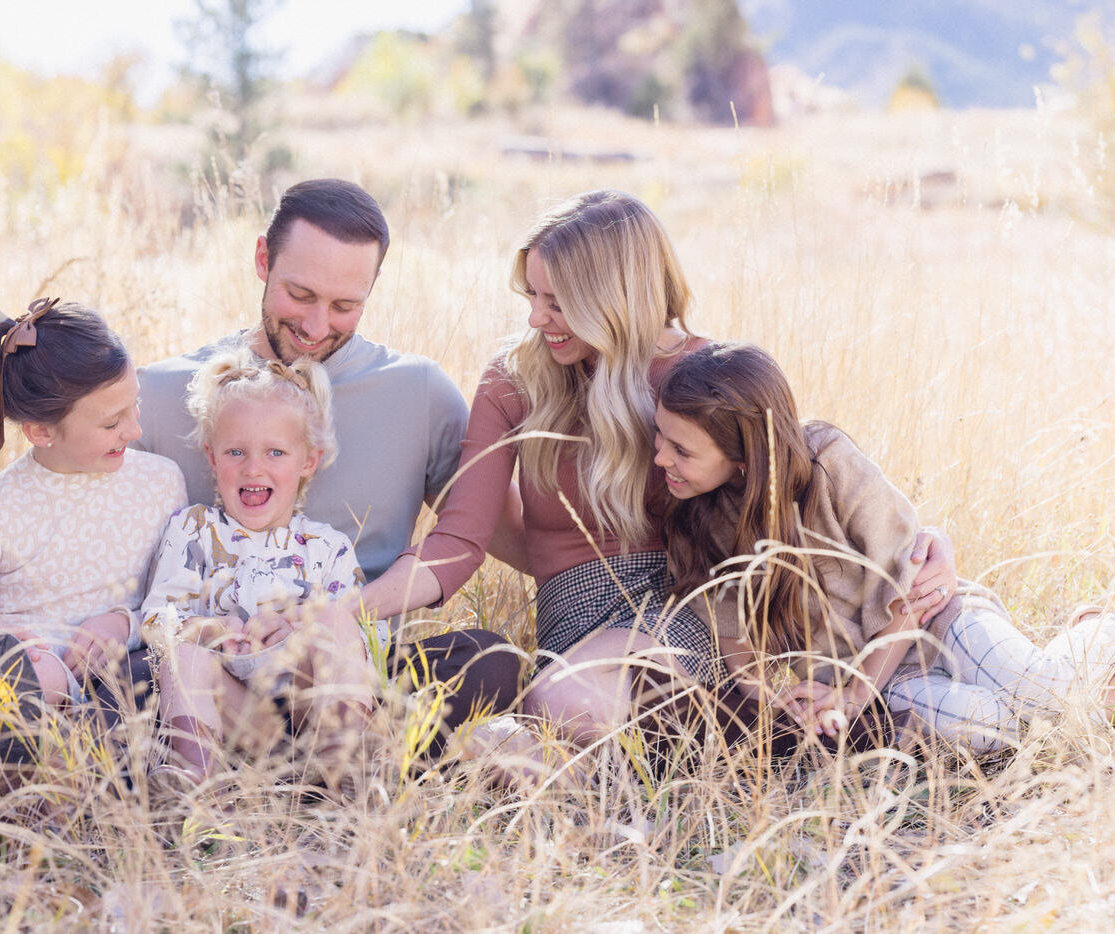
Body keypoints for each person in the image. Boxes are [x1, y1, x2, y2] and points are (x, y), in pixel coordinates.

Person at [0, 179, 520, 755]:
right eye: (300, 295)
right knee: (127, 686)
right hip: (206, 662)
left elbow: (464, 539)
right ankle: (342, 757)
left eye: (344, 306)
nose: (314, 327)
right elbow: (68, 501)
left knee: (488, 661)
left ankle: (317, 744)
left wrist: (342, 614)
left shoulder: (417, 391)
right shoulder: (165, 389)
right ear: (262, 259)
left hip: (343, 660)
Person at [361, 190, 958, 771]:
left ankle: (786, 741)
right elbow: (460, 541)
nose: (536, 318)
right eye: (533, 295)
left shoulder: (698, 376)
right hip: (570, 611)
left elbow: (788, 482)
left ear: (612, 300)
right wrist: (351, 612)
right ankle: (759, 749)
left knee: (560, 704)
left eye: (558, 301)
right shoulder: (514, 381)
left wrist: (928, 541)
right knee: (541, 726)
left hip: (688, 605)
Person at [654, 340, 1115, 752]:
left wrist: (853, 694)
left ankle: (1103, 627)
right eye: (660, 437)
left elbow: (911, 582)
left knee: (1042, 691)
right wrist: (779, 697)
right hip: (892, 684)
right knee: (1001, 729)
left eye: (681, 450)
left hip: (938, 623)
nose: (660, 458)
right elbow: (737, 639)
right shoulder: (701, 524)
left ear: (744, 456)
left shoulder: (828, 462)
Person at [0, 298, 185, 729]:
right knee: (33, 677)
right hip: (23, 686)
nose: (135, 431)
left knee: (166, 668)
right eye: (112, 423)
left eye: (135, 406)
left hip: (120, 679)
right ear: (41, 431)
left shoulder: (161, 482)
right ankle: (30, 772)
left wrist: (123, 624)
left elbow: (179, 596)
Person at [140, 350, 376, 781]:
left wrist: (303, 625)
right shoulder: (194, 530)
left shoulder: (328, 546)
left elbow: (367, 644)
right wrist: (210, 630)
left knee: (335, 618)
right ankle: (193, 779)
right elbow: (156, 620)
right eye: (235, 452)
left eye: (275, 453)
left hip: (312, 714)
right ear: (211, 457)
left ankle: (343, 771)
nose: (253, 468)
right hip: (239, 717)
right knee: (183, 658)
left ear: (308, 461)